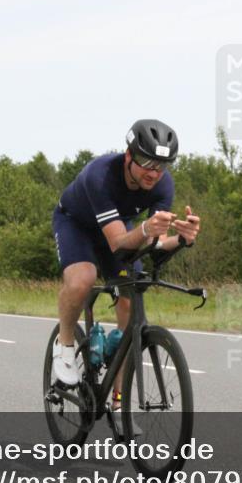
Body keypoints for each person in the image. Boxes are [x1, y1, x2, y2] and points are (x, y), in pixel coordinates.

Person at [52, 120, 200, 403]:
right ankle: (65, 344)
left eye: (162, 165)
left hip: (119, 227)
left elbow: (155, 244)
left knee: (131, 293)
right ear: (128, 155)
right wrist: (144, 229)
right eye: (147, 162)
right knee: (83, 279)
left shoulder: (163, 185)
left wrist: (183, 239)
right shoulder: (100, 175)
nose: (154, 172)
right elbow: (118, 243)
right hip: (77, 224)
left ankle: (118, 394)